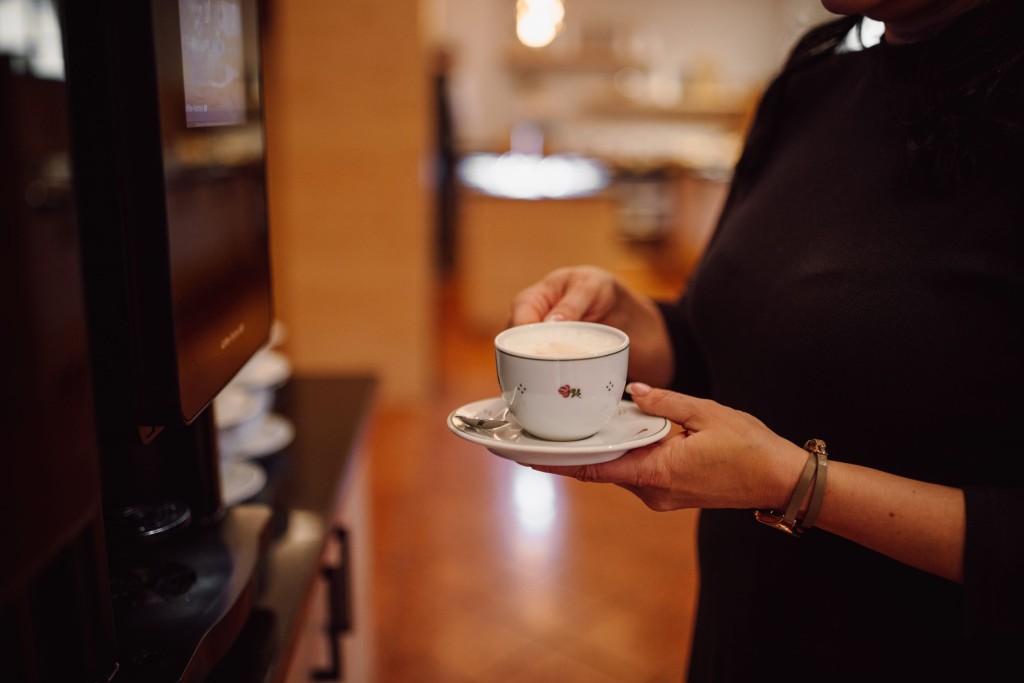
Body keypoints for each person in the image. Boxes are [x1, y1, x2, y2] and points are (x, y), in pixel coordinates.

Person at [507, 1, 1024, 681]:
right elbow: (729, 345)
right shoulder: (812, 89)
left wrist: (795, 483)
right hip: (744, 638)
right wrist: (641, 326)